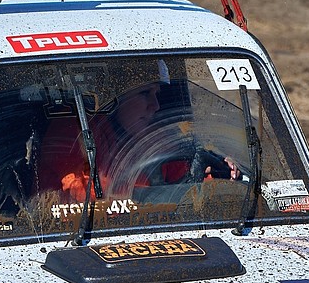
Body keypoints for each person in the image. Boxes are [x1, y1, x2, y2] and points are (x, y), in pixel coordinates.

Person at [37, 62, 237, 204]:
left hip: (147, 230)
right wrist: (156, 196)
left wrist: (214, 176)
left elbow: (182, 178)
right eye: (144, 93)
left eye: (157, 95)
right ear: (116, 97)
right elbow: (77, 196)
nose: (155, 106)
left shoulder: (154, 134)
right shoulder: (74, 132)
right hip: (79, 237)